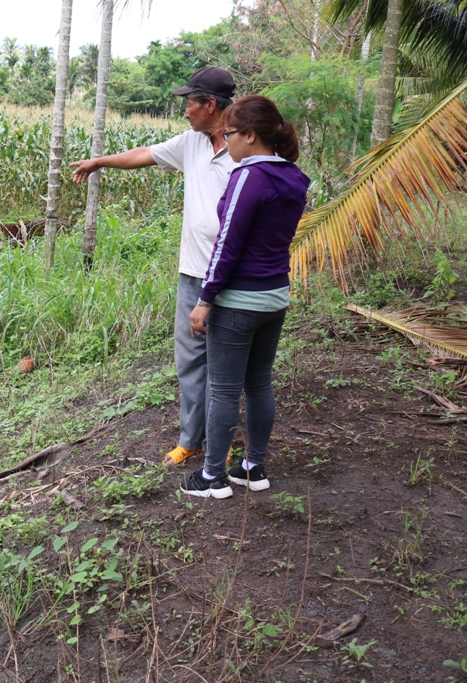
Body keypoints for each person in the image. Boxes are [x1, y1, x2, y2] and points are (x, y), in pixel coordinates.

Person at [70, 67, 237, 467]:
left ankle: (220, 442)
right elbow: (145, 154)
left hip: (232, 273)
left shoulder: (245, 145)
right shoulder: (192, 143)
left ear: (210, 105)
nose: (185, 112)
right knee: (190, 359)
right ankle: (191, 440)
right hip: (192, 272)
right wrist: (100, 162)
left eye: (190, 104)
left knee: (225, 364)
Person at [179, 95, 310, 499]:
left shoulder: (247, 177)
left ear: (251, 136)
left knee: (222, 388)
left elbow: (227, 244)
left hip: (238, 301)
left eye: (230, 134)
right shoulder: (294, 178)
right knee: (258, 383)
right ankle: (254, 467)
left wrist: (205, 299)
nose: (227, 141)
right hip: (275, 297)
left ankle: (213, 476)